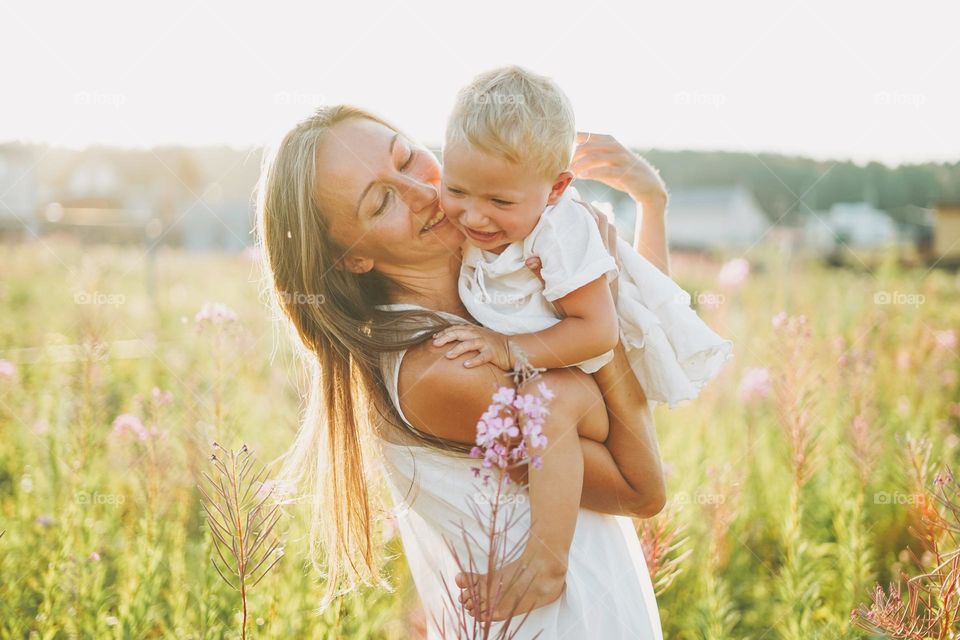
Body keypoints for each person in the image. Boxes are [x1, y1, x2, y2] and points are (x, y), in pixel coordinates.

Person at [257, 104, 669, 639]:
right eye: (382, 202)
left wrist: (649, 206)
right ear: (351, 259)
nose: (423, 192)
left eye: (407, 157)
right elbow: (640, 487)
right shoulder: (446, 368)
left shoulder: (491, 298)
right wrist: (597, 300)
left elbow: (644, 338)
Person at [429, 66, 734, 620]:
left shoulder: (560, 230)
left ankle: (547, 565)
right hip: (554, 374)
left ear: (556, 190)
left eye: (499, 201)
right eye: (456, 190)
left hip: (590, 385)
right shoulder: (481, 217)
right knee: (540, 399)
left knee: (546, 401)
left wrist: (505, 349)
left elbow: (599, 331)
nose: (473, 215)